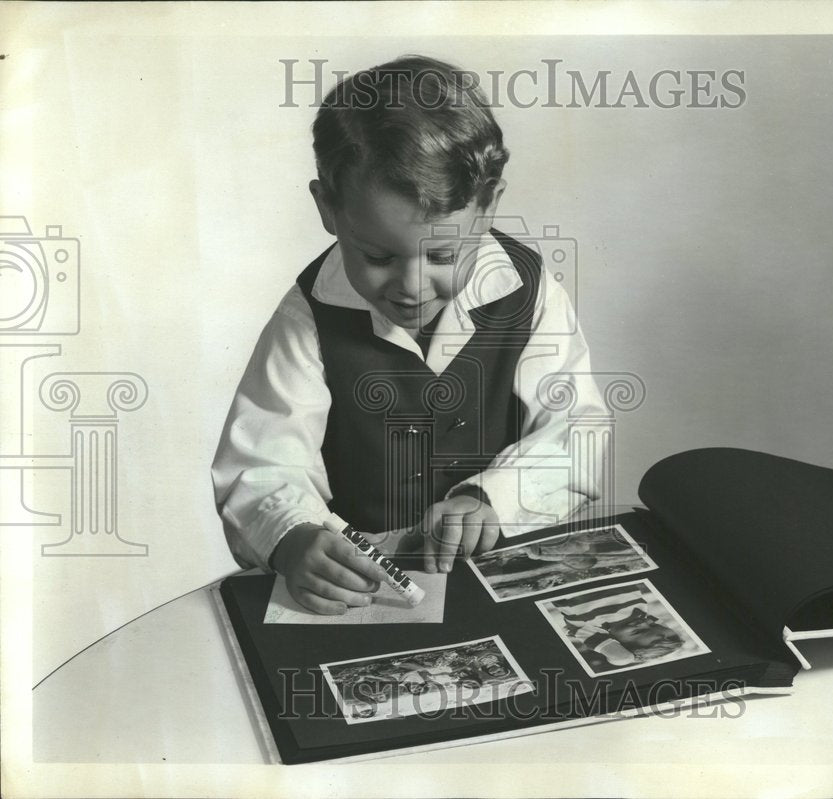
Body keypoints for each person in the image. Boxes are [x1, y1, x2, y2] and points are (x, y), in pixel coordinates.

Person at [211, 55, 607, 614]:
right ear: (328, 208)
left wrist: (494, 498)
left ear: (488, 206)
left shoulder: (530, 290)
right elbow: (262, 462)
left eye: (443, 254)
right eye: (376, 256)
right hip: (369, 586)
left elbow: (577, 430)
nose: (410, 287)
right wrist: (293, 537)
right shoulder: (309, 318)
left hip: (503, 568)